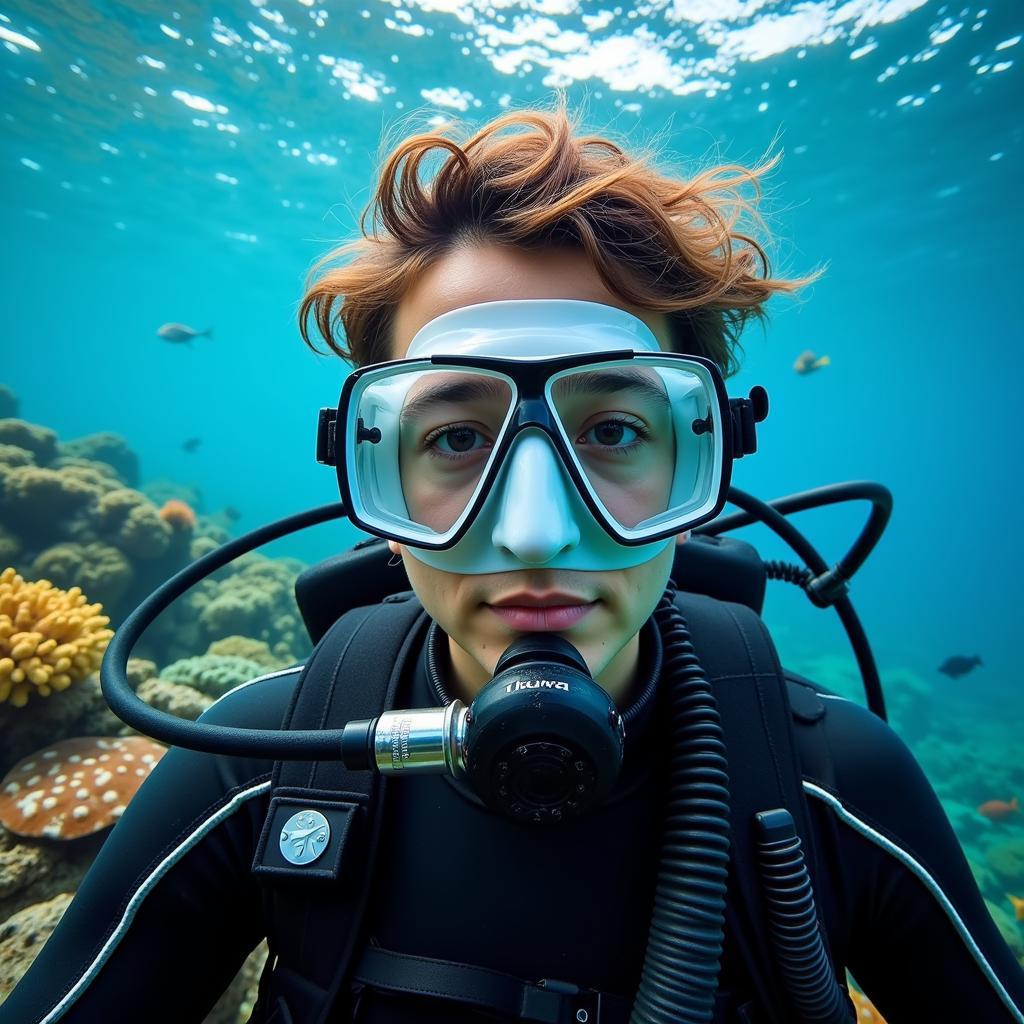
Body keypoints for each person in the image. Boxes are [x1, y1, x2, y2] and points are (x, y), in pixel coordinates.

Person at [3, 101, 1023, 1024]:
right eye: (454, 438)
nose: (535, 531)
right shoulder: (264, 758)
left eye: (616, 428)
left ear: (705, 453)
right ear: (374, 467)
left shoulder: (832, 785)